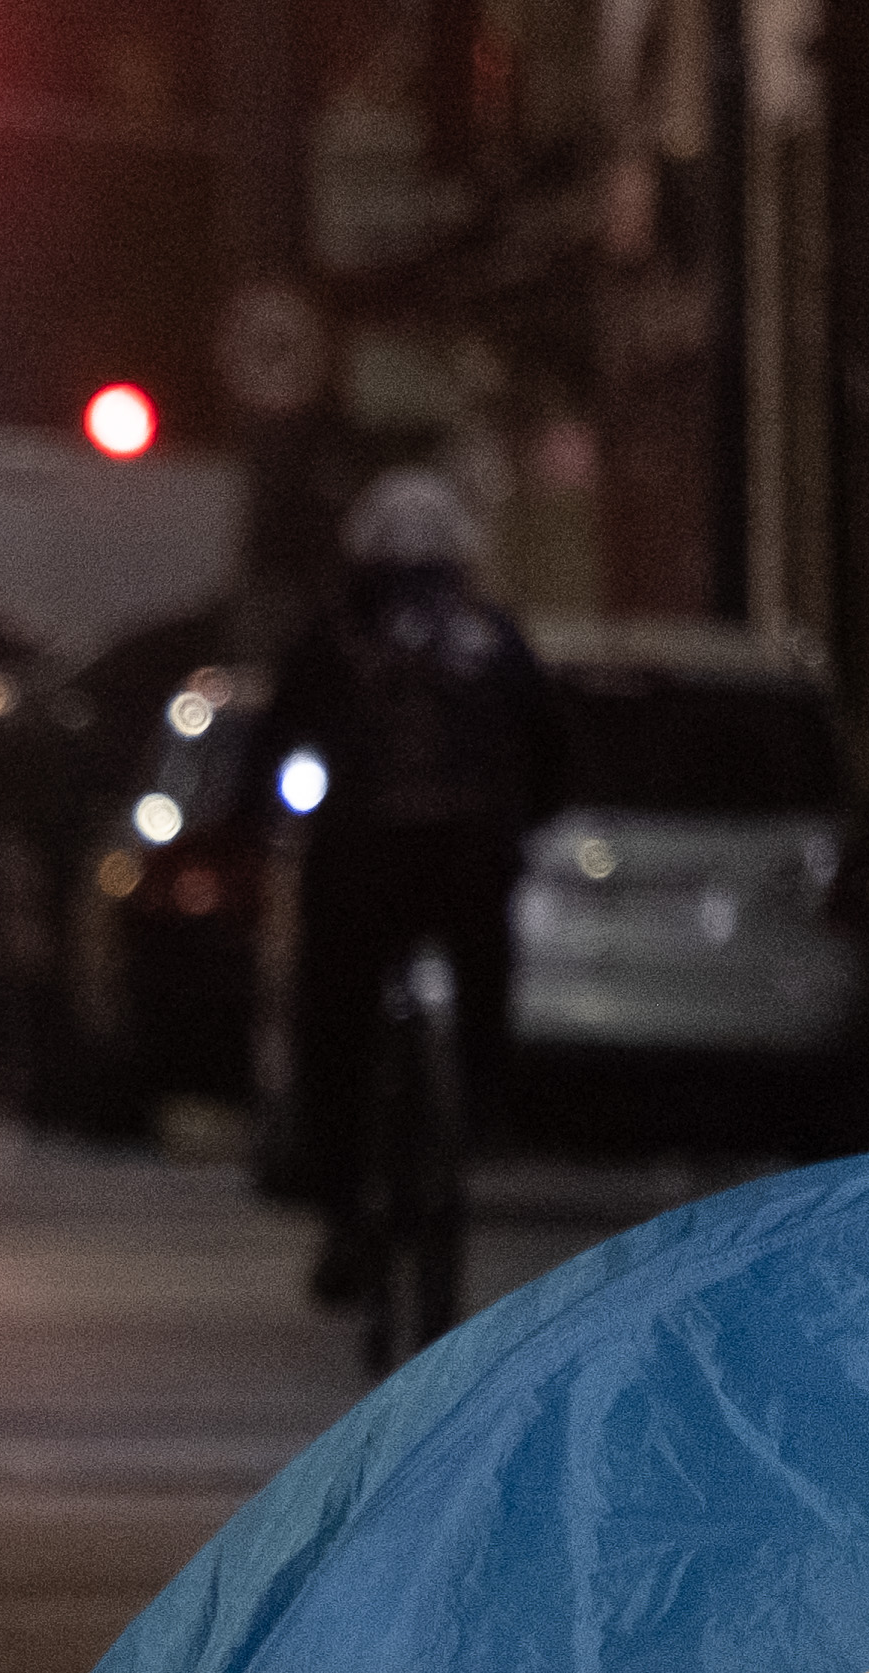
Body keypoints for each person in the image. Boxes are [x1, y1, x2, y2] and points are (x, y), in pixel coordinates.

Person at [257, 468, 567, 1318]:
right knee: (483, 974)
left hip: (358, 864)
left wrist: (269, 821)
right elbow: (549, 747)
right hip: (472, 862)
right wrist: (523, 819)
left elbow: (276, 743)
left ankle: (344, 1218)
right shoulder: (491, 635)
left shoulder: (334, 633)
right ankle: (477, 1100)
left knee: (335, 1025)